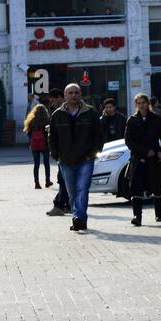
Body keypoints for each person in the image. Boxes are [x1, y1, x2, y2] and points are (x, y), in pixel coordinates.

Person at [49, 83, 100, 233]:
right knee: (72, 192)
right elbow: (52, 138)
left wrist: (92, 154)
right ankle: (79, 218)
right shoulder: (57, 115)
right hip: (65, 160)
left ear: (81, 95)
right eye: (70, 93)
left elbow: (98, 136)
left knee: (82, 189)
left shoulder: (90, 113)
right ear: (65, 96)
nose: (74, 95)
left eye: (76, 92)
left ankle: (79, 218)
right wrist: (56, 155)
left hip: (86, 159)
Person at [124, 93, 161, 226]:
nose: (141, 105)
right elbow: (128, 141)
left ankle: (158, 213)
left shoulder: (156, 119)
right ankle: (137, 216)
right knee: (136, 187)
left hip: (154, 158)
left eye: (143, 102)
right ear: (136, 105)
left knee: (157, 186)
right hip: (138, 158)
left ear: (148, 103)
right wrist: (144, 151)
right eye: (139, 103)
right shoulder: (132, 120)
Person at [24, 102, 52, 189]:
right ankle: (47, 181)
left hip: (35, 145)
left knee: (36, 164)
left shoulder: (31, 121)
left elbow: (28, 133)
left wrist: (33, 139)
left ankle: (37, 183)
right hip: (45, 145)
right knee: (46, 163)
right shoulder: (47, 120)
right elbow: (50, 133)